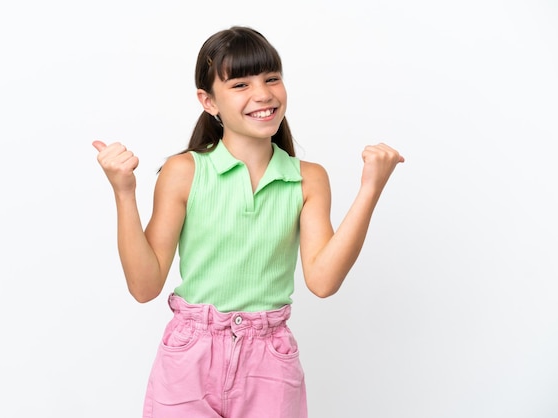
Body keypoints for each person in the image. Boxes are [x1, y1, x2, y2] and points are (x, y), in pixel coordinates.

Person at [92, 26, 404, 418]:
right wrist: (124, 192)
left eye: (271, 78)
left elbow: (323, 281)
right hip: (189, 357)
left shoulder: (308, 178)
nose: (263, 94)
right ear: (209, 102)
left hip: (269, 360)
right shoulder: (184, 171)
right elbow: (144, 286)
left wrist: (370, 188)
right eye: (240, 84)